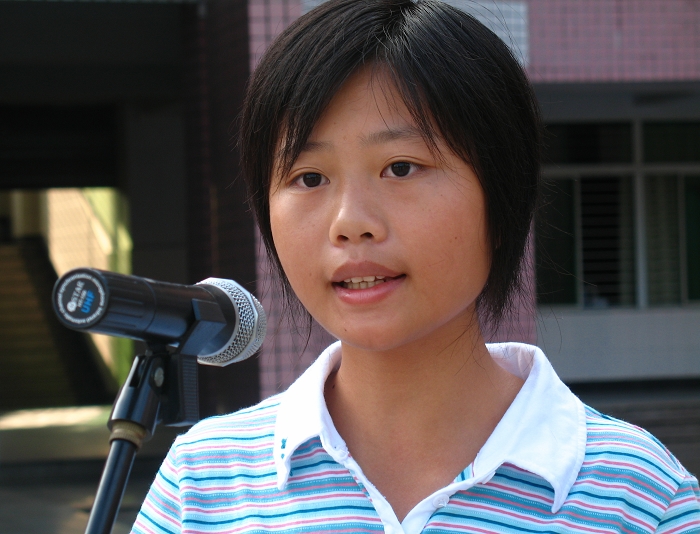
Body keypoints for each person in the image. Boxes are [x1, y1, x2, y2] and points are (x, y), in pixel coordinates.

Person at [132, 1, 700, 532]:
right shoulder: (204, 482)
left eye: (401, 168)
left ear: (503, 198)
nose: (350, 223)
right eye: (309, 178)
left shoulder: (639, 495)